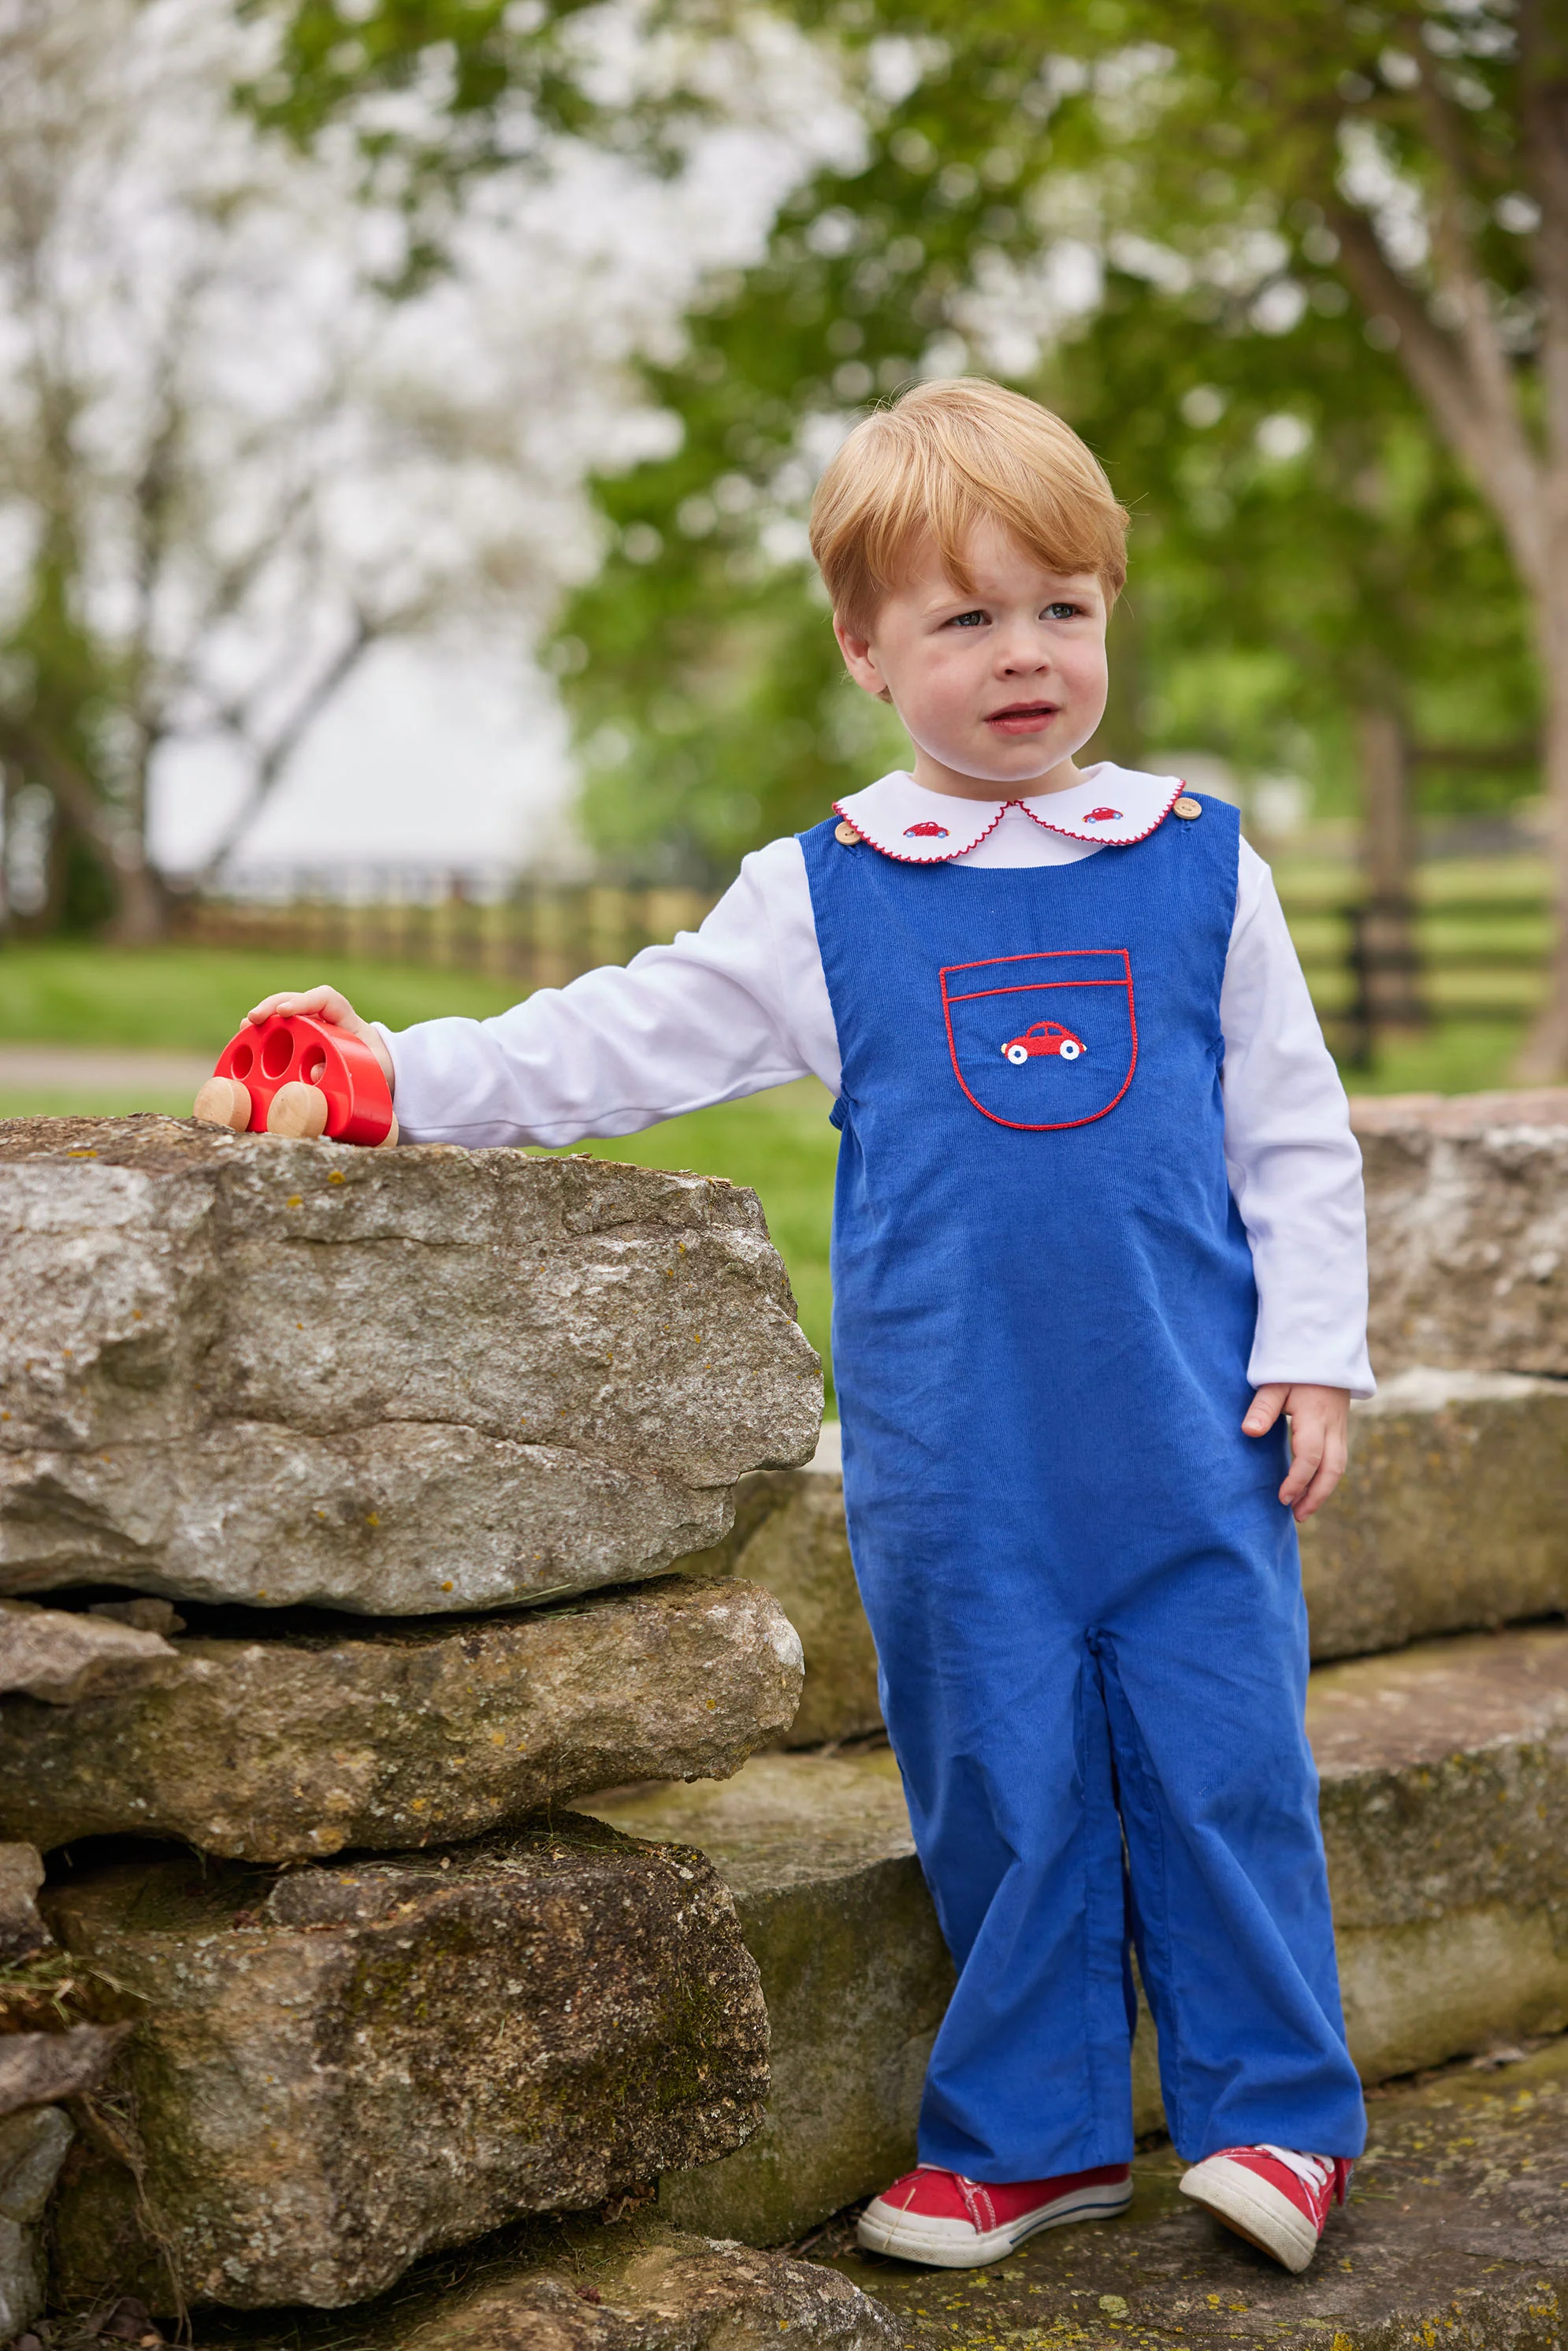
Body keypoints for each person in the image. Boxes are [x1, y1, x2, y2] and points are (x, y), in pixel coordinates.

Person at [247, 378, 1371, 2278]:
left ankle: (1278, 2117)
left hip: (1191, 1434)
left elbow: (1293, 1127)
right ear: (864, 646)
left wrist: (1316, 1347)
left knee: (1226, 1761)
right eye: (965, 617)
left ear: (1107, 615)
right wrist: (394, 1079)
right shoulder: (822, 895)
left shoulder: (1197, 864)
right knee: (996, 1785)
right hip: (955, 1462)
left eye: (1062, 609)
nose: (1024, 657)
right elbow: (609, 1038)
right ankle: (1028, 2139)